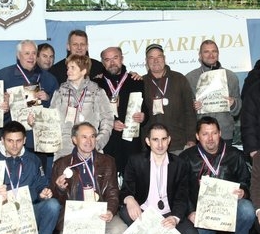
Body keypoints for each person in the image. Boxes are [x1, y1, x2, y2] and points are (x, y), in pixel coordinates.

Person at [120, 123, 199, 234]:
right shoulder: (136, 161)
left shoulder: (180, 164)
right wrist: (130, 199)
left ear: (169, 140)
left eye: (163, 139)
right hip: (144, 213)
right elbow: (126, 188)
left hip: (168, 214)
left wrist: (175, 218)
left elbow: (182, 196)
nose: (160, 144)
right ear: (147, 141)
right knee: (126, 211)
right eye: (155, 139)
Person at [50, 122, 127, 234]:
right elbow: (55, 202)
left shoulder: (107, 161)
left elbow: (112, 191)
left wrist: (110, 210)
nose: (89, 141)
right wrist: (59, 189)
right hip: (74, 221)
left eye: (92, 136)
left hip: (100, 217)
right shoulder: (61, 164)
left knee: (120, 230)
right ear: (74, 139)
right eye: (84, 137)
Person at [0, 121, 60, 234]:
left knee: (53, 205)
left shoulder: (34, 160)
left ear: (25, 140)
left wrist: (43, 192)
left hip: (28, 213)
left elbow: (41, 184)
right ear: (2, 140)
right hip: (3, 219)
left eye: (18, 141)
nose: (14, 145)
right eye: (10, 141)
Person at [180, 117, 255, 234]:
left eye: (214, 133)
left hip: (228, 210)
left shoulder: (235, 155)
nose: (210, 138)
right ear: (197, 136)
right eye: (205, 134)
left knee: (247, 209)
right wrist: (190, 212)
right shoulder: (186, 158)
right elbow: (180, 190)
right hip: (201, 216)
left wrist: (243, 191)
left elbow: (246, 181)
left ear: (220, 133)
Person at [0, 40, 58, 166]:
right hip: (13, 141)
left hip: (40, 140)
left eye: (34, 53)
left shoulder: (48, 78)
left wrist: (48, 98)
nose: (31, 57)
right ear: (18, 55)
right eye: (27, 53)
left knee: (38, 174)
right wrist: (4, 107)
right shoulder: (3, 76)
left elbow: (58, 109)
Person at [47, 54, 114, 159]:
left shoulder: (97, 92)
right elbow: (50, 120)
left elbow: (108, 120)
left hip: (90, 150)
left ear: (83, 71)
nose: (68, 71)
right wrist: (37, 122)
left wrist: (97, 143)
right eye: (68, 68)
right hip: (64, 152)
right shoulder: (59, 92)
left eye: (72, 68)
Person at [96, 46, 146, 176]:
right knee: (109, 180)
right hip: (108, 143)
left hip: (131, 144)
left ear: (122, 59)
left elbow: (145, 109)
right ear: (102, 63)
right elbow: (93, 114)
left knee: (132, 180)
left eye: (115, 58)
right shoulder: (96, 84)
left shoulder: (136, 81)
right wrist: (110, 123)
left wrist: (143, 116)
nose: (112, 62)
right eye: (107, 59)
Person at [142, 44, 197, 154]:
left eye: (159, 56)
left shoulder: (179, 79)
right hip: (151, 147)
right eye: (151, 57)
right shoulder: (141, 82)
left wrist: (191, 139)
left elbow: (190, 112)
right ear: (146, 61)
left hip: (178, 144)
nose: (155, 60)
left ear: (164, 58)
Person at [185, 40, 242, 144]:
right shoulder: (190, 78)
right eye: (206, 52)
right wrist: (193, 106)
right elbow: (185, 109)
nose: (211, 55)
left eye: (214, 51)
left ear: (218, 54)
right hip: (201, 134)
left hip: (225, 132)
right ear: (200, 55)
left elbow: (238, 108)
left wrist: (233, 103)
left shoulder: (231, 77)